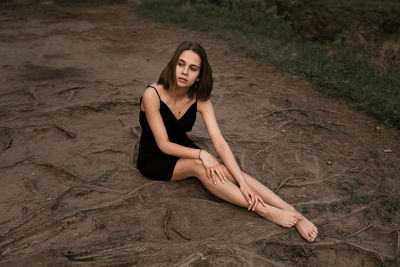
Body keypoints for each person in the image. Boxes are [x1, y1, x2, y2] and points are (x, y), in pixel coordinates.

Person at [137, 41, 318, 242]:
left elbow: (220, 143)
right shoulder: (152, 94)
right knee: (202, 166)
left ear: (199, 75)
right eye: (181, 64)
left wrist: (241, 182)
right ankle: (264, 210)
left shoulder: (199, 99)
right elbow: (163, 144)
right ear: (173, 64)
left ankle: (293, 211)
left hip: (184, 150)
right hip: (154, 158)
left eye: (193, 68)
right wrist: (202, 153)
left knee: (223, 169)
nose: (185, 72)